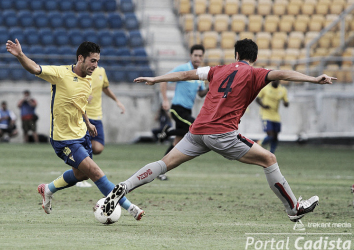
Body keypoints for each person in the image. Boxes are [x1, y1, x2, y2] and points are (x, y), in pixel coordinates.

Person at [102, 39, 337, 222]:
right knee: (269, 159)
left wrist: (156, 79)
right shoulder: (255, 73)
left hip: (197, 131)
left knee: (164, 163)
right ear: (253, 58)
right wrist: (314, 79)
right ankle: (293, 208)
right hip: (222, 134)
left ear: (236, 55)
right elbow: (282, 73)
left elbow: (184, 75)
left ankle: (124, 186)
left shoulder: (217, 70)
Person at [6, 39, 144, 220]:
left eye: (97, 61)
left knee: (81, 175)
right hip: (64, 139)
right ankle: (129, 207)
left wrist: (88, 122)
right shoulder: (60, 74)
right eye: (93, 61)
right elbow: (35, 68)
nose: (96, 65)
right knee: (95, 172)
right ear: (81, 58)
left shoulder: (87, 80)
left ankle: (47, 189)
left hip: (82, 134)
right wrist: (21, 56)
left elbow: (79, 105)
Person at [157, 44, 209, 180]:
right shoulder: (184, 69)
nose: (197, 58)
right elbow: (164, 81)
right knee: (194, 126)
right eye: (195, 55)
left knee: (177, 144)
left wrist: (210, 86)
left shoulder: (200, 74)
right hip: (177, 108)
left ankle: (160, 170)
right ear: (191, 56)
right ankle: (167, 131)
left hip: (186, 110)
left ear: (202, 57)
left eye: (200, 56)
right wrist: (165, 100)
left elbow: (201, 94)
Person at [76, 66, 126, 188]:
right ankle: (81, 175)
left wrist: (117, 100)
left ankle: (79, 161)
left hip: (97, 116)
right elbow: (71, 89)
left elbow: (105, 88)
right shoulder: (79, 70)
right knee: (85, 146)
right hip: (83, 115)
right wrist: (82, 97)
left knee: (98, 148)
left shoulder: (101, 71)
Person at [256, 80, 289, 153]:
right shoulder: (265, 88)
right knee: (270, 135)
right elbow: (257, 99)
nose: (275, 81)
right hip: (266, 115)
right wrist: (263, 106)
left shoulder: (282, 90)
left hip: (276, 116)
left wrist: (286, 103)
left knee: (275, 137)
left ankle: (271, 152)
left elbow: (286, 103)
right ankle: (259, 143)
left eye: (276, 79)